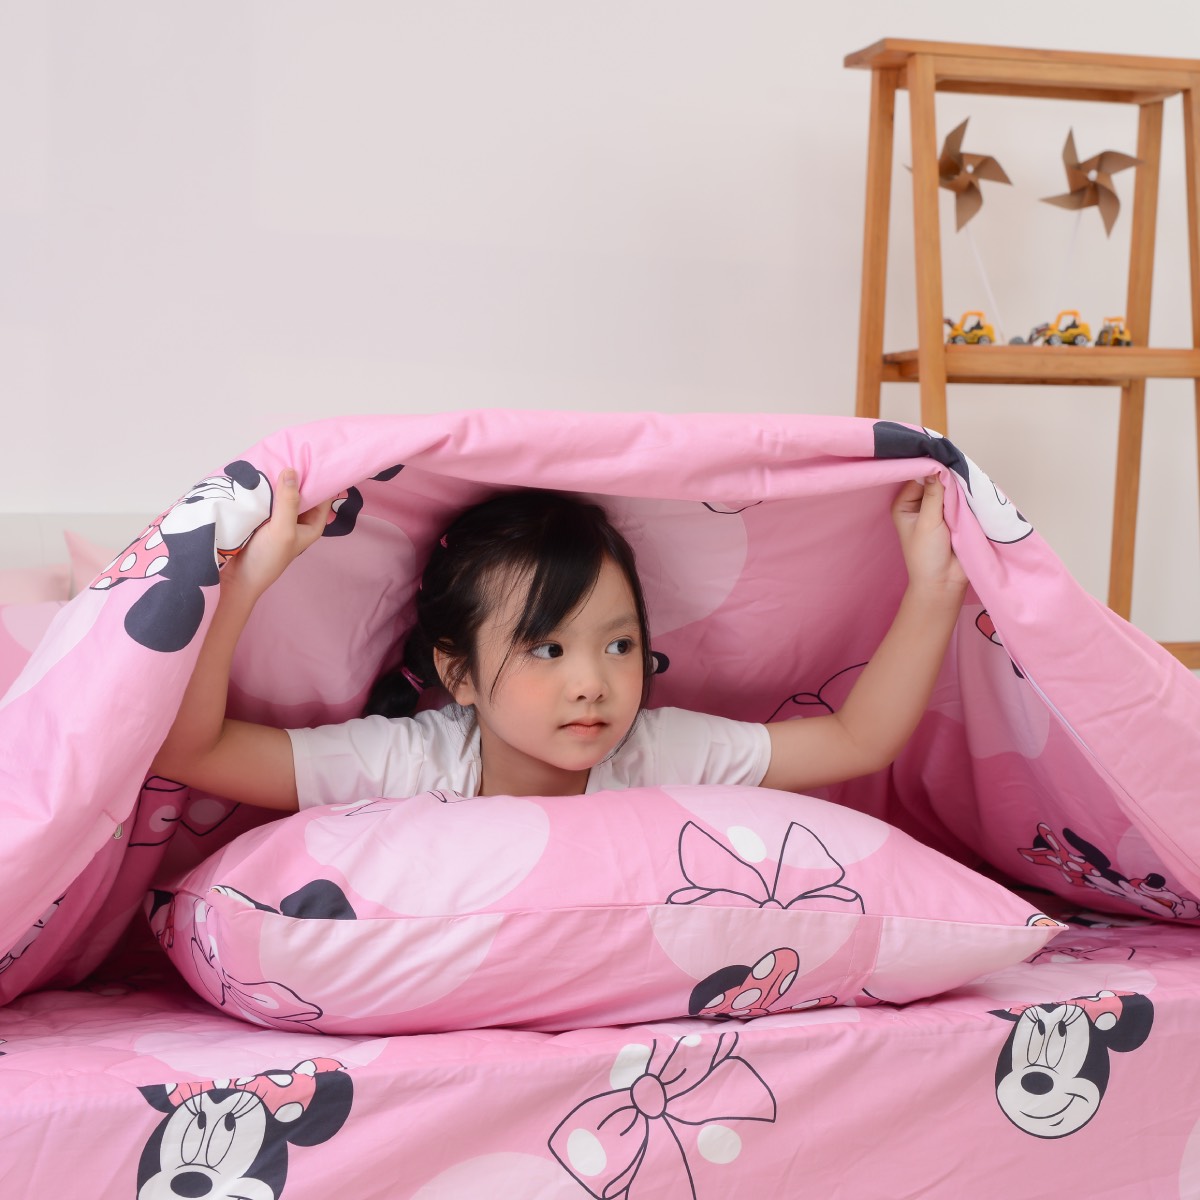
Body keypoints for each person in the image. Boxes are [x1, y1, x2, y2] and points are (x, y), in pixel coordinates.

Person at [152, 468, 968, 809]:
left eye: (619, 646)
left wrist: (935, 589)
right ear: (458, 674)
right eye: (547, 649)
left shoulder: (656, 752)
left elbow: (856, 740)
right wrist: (244, 585)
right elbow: (195, 751)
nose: (593, 683)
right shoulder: (414, 765)